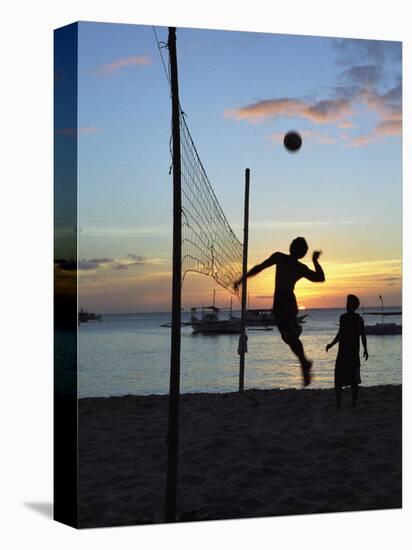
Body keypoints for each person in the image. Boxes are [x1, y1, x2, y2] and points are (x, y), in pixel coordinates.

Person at [234, 237, 325, 386]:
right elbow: (320, 277)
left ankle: (304, 362)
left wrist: (242, 279)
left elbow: (259, 267)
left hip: (284, 301)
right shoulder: (290, 262)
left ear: (293, 249)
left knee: (289, 336)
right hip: (284, 302)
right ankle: (303, 357)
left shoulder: (284, 259)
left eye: (293, 245)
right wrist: (315, 261)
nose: (291, 246)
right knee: (288, 337)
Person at [326, 294, 368, 408]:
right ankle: (338, 404)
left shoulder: (359, 320)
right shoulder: (343, 317)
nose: (347, 305)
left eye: (349, 303)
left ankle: (354, 403)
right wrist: (331, 344)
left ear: (354, 306)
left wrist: (365, 349)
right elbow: (340, 334)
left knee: (353, 381)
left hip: (353, 353)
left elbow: (363, 335)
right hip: (342, 353)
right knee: (338, 380)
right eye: (347, 303)